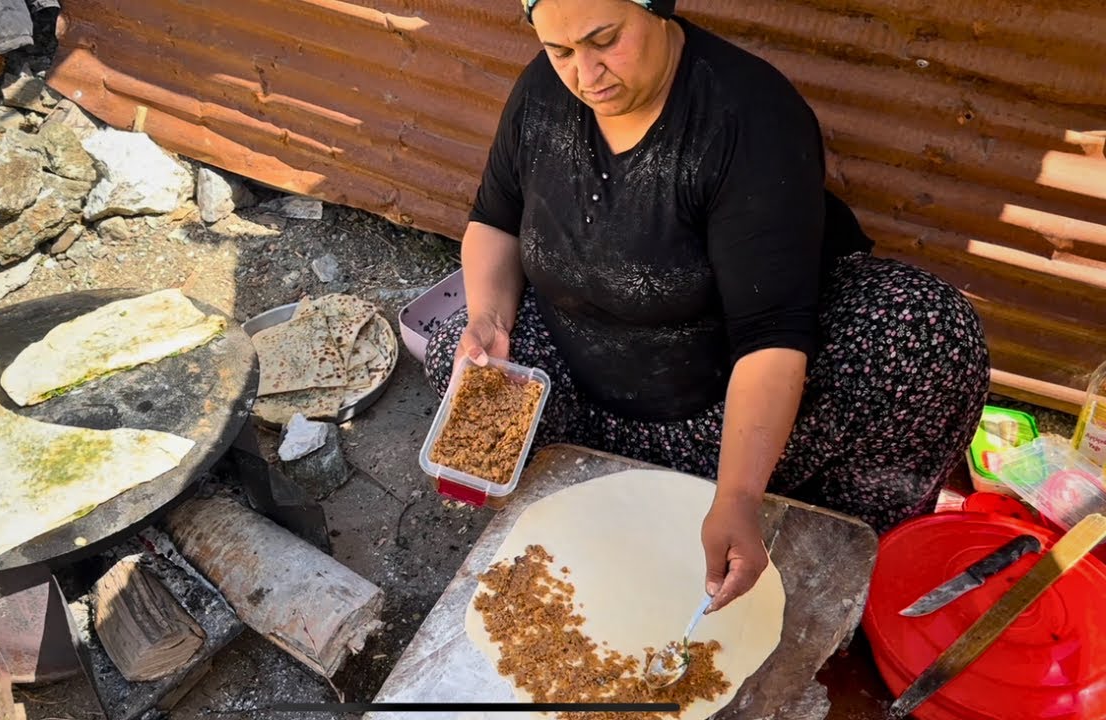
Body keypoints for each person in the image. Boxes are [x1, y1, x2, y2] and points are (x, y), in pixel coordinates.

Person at [424, 0, 990, 613]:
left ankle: (800, 548)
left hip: (717, 408)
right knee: (449, 350)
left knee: (927, 328)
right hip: (585, 381)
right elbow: (494, 221)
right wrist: (489, 321)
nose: (585, 76)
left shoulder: (748, 118)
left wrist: (739, 497)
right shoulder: (542, 89)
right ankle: (625, 495)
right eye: (560, 51)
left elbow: (771, 335)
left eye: (605, 40)